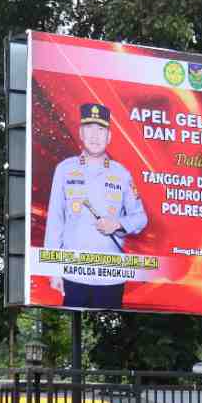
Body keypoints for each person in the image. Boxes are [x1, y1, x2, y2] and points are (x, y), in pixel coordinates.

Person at [45, 101, 148, 309]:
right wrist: (53, 269)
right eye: (89, 129)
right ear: (81, 133)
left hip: (110, 276)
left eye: (101, 130)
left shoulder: (121, 173)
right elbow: (55, 221)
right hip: (74, 272)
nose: (94, 136)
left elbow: (140, 218)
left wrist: (117, 224)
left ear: (109, 137)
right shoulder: (64, 170)